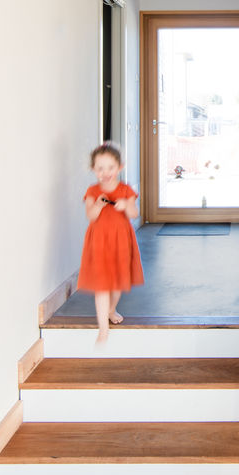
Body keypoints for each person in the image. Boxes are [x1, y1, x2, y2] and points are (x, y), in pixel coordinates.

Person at [77, 142, 144, 346]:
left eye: (110, 168)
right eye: (100, 168)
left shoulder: (125, 190)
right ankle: (103, 330)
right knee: (102, 286)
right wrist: (97, 204)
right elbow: (90, 216)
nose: (105, 173)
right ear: (93, 170)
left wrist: (126, 206)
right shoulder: (92, 191)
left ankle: (112, 309)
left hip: (121, 241)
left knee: (117, 283)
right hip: (99, 242)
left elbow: (135, 213)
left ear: (120, 168)